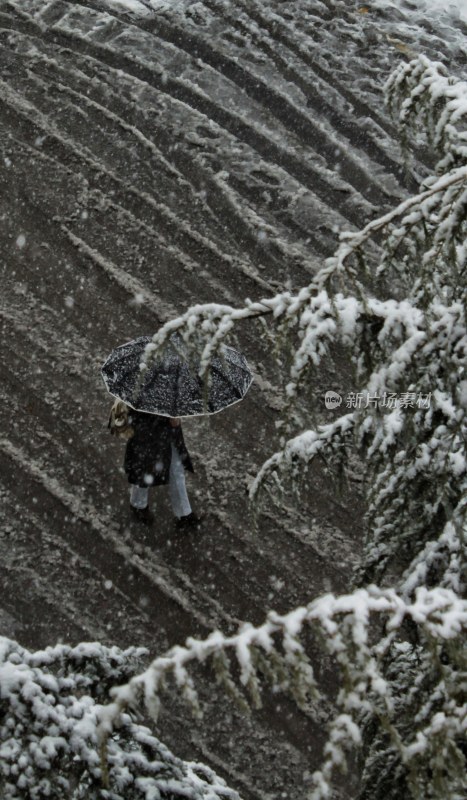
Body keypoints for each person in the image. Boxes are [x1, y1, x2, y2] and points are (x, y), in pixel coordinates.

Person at [123, 410, 200, 528]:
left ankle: (183, 513)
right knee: (145, 467)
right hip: (149, 429)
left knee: (173, 467)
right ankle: (138, 505)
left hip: (159, 428)